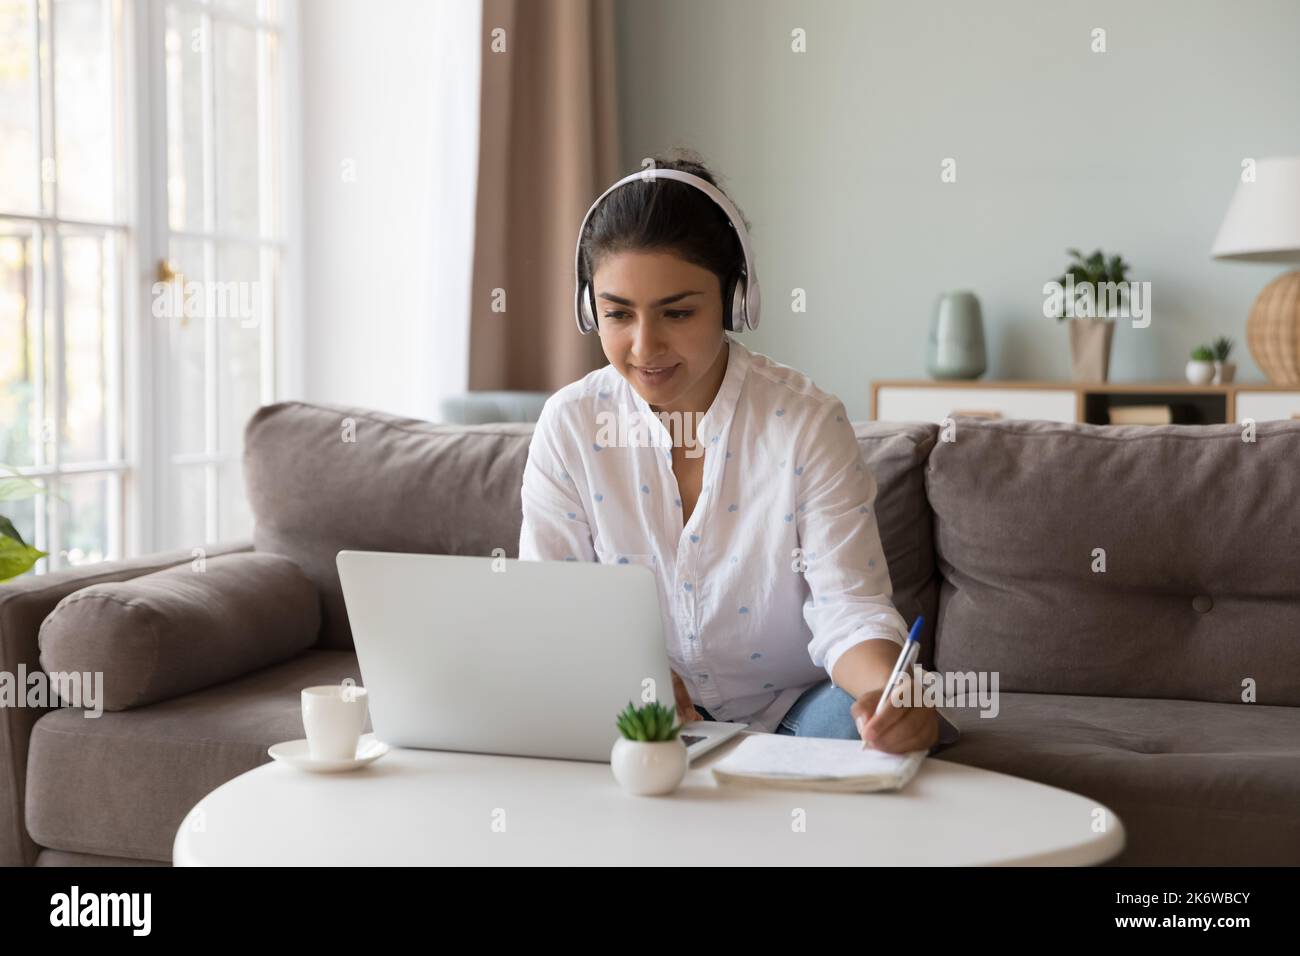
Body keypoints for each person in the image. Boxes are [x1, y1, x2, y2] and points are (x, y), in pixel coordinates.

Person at [519, 151, 957, 754]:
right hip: (644, 716)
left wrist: (889, 691)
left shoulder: (805, 423)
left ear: (735, 300)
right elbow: (552, 613)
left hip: (795, 707)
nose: (644, 347)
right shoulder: (570, 427)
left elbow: (848, 609)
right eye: (617, 313)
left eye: (678, 312)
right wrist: (619, 677)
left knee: (865, 737)